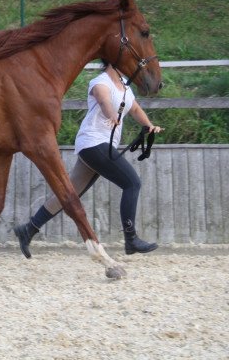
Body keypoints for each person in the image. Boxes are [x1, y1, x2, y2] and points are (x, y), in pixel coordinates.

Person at [13, 60, 162, 258]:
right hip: (94, 143)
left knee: (69, 193)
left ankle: (29, 229)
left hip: (99, 145)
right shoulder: (100, 82)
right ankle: (131, 239)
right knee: (132, 183)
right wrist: (111, 114)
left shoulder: (125, 86)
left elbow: (134, 109)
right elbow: (104, 101)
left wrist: (149, 125)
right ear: (114, 62)